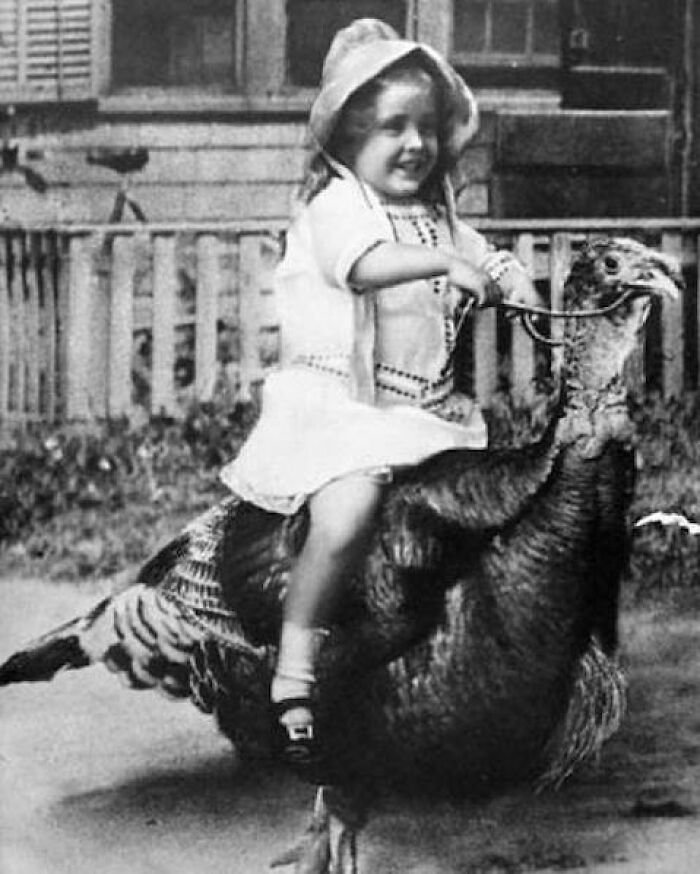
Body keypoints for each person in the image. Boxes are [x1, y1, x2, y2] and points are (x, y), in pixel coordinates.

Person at [220, 18, 539, 762]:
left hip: (415, 412)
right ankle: (294, 663)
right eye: (392, 127)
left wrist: (507, 278)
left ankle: (469, 665)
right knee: (351, 503)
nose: (416, 144)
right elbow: (361, 264)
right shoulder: (336, 210)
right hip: (337, 408)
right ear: (349, 134)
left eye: (427, 127)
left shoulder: (437, 220)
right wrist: (443, 270)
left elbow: (485, 259)